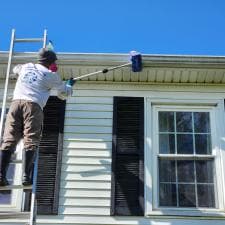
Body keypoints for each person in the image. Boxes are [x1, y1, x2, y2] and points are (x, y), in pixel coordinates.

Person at [0, 48, 75, 186]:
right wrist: (69, 85)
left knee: (9, 139)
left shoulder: (26, 67)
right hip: (33, 107)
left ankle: (1, 175)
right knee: (31, 139)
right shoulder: (51, 75)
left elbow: (16, 69)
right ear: (51, 62)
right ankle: (25, 176)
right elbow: (63, 94)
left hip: (15, 104)